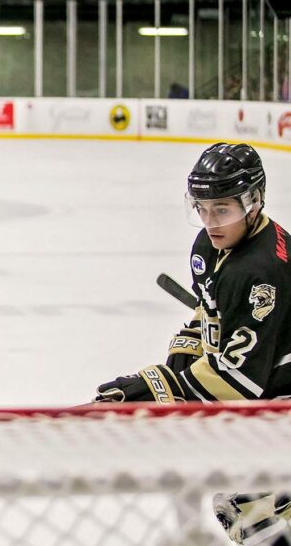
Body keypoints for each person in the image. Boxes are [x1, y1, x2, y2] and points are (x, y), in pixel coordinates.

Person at [94, 143, 290, 404]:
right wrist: (199, 331)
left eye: (221, 210)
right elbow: (212, 304)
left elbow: (240, 383)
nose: (210, 223)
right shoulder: (211, 245)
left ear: (253, 202)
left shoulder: (259, 273)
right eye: (202, 208)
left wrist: (170, 386)